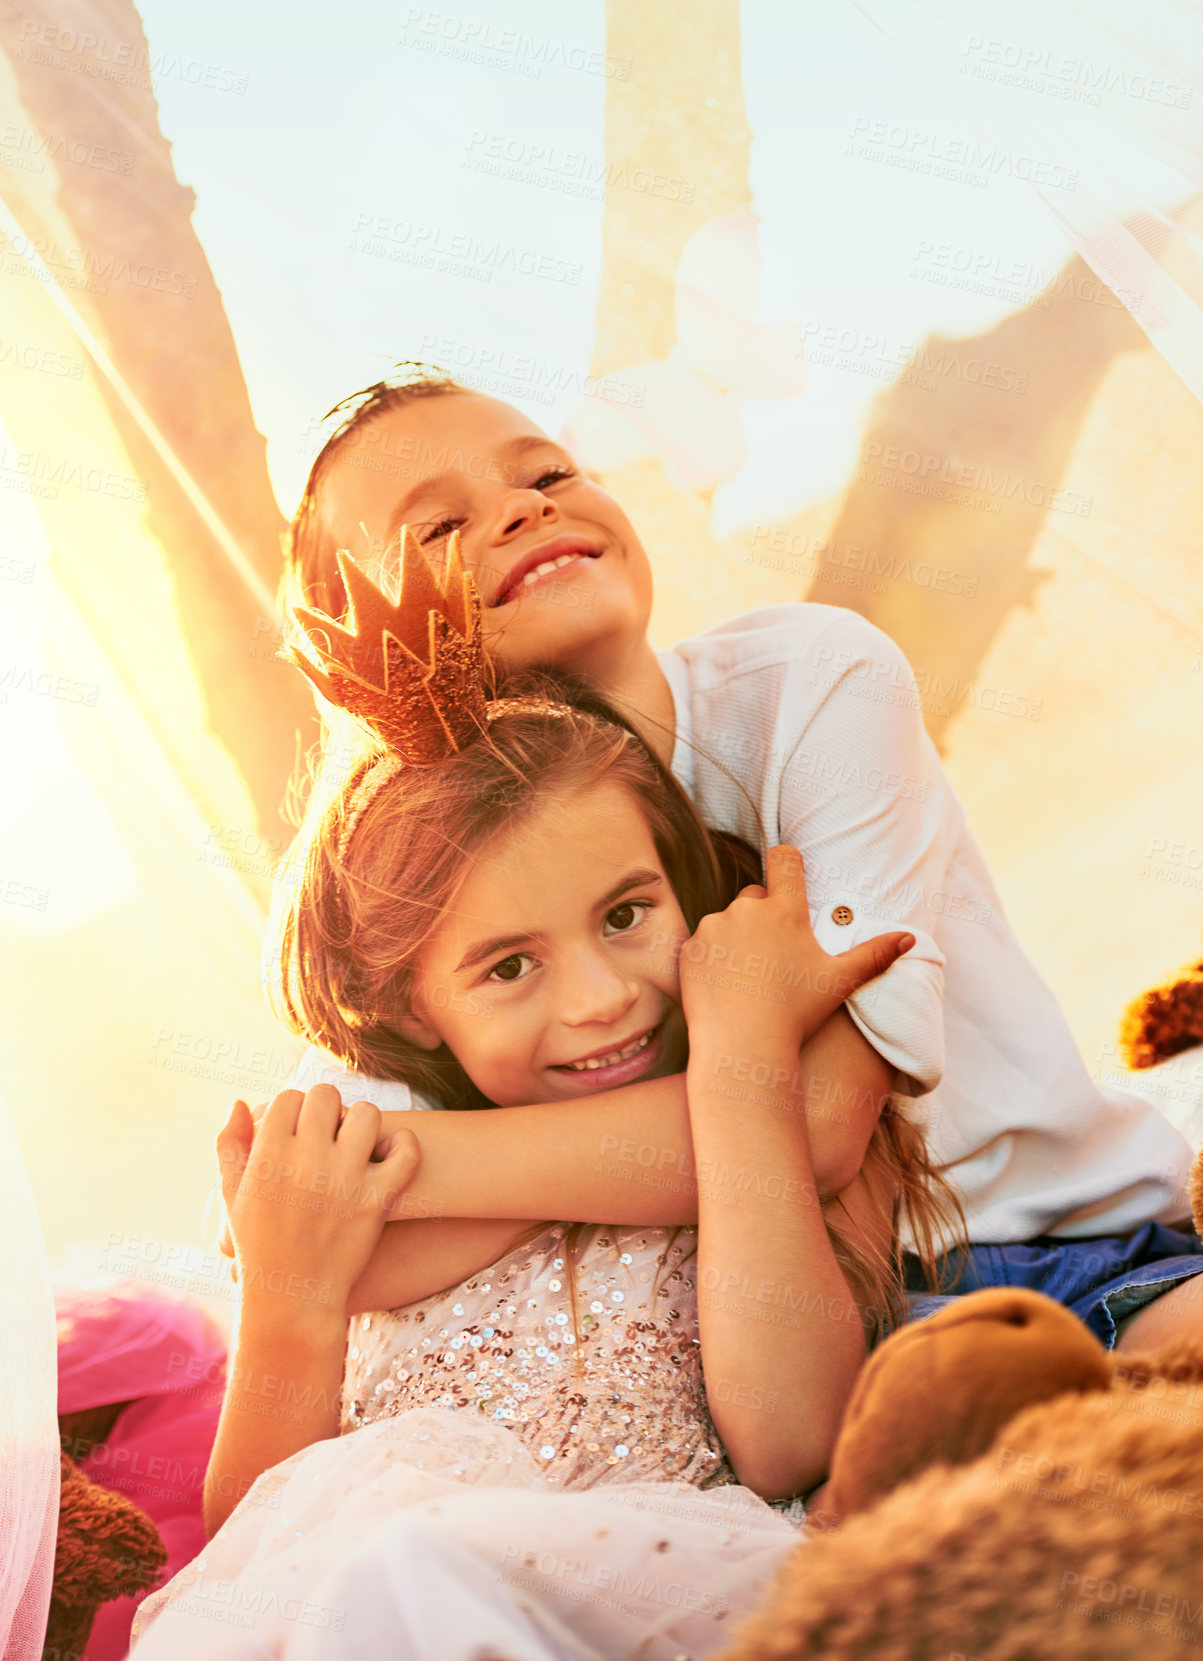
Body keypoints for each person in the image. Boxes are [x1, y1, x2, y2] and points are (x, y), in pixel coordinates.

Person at [277, 364, 1202, 1356]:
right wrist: (340, 1203)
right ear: (361, 656)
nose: (520, 509)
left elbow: (816, 1125)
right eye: (438, 528)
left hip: (1059, 1232)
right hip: (792, 1342)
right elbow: (294, 1231)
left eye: (547, 472)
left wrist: (415, 1160)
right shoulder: (417, 874)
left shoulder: (812, 682)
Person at [130, 549, 941, 1659]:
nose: (603, 1001)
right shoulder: (374, 1182)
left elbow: (793, 1441)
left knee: (412, 1573)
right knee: (385, 1580)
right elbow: (258, 1543)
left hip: (675, 1592)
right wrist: (291, 1300)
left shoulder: (779, 1102)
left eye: (625, 914)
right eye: (508, 967)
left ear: (684, 879)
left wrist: (742, 1050)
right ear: (413, 1011)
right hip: (378, 1609)